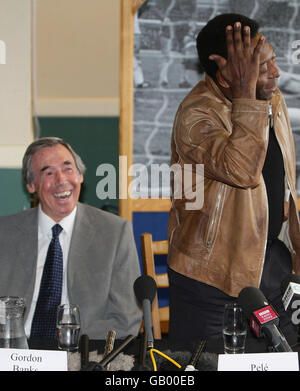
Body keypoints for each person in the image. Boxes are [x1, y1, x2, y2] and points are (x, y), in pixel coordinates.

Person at [167, 13, 300, 343]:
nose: (276, 73)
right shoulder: (196, 114)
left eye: (271, 61)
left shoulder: (271, 98)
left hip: (270, 266)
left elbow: (278, 180)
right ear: (223, 68)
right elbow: (241, 170)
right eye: (260, 65)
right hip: (213, 281)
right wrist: (246, 95)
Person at [0, 137, 142, 340]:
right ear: (31, 185)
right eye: (48, 172)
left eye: (68, 169)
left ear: (80, 176)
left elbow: (126, 320)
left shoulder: (115, 233)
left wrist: (71, 344)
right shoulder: (4, 233)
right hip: (15, 353)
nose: (61, 180)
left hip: (82, 350)